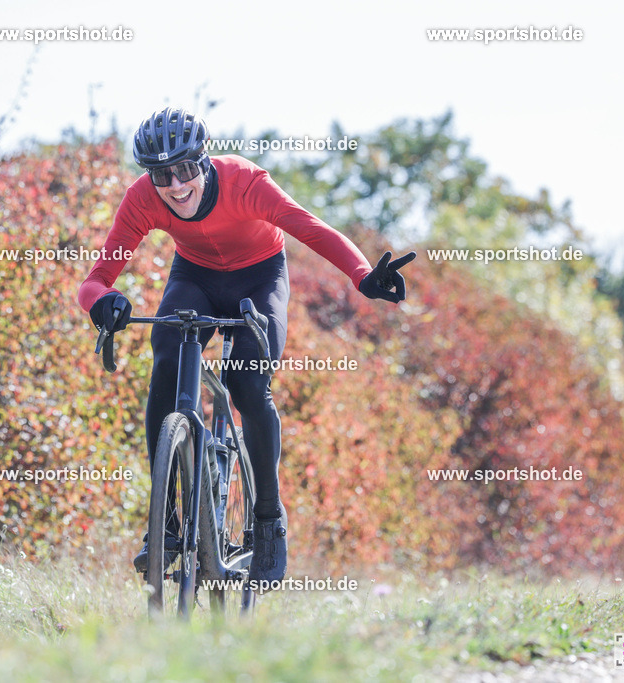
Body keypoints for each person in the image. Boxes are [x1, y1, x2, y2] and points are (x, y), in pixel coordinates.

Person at [78, 107, 414, 585]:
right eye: (161, 175)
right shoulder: (142, 199)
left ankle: (268, 519)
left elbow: (310, 228)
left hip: (260, 278)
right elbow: (95, 279)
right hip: (195, 277)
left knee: (247, 384)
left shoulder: (245, 182)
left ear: (204, 160)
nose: (176, 185)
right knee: (167, 360)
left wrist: (363, 275)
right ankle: (166, 522)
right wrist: (103, 301)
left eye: (185, 168)